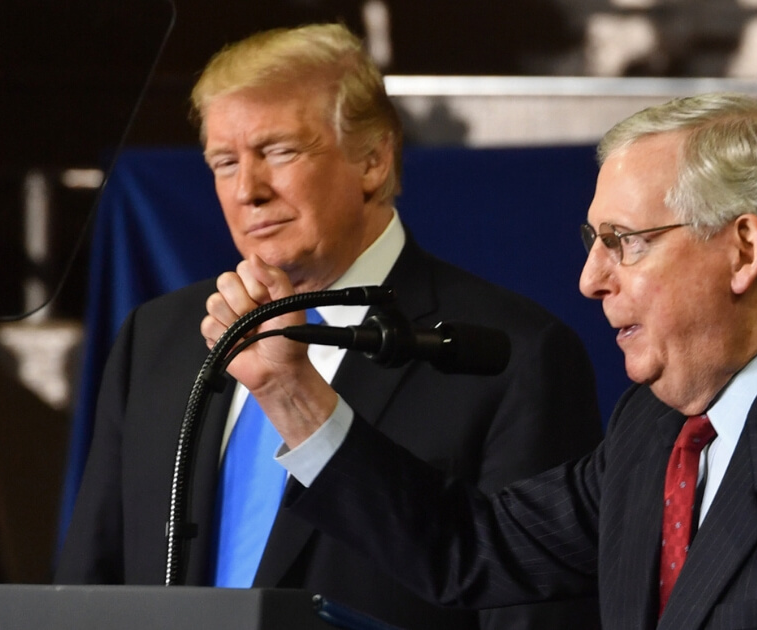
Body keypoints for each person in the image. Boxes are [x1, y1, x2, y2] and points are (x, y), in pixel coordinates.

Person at [203, 93, 757, 628]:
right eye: (594, 243)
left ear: (743, 248)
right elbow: (467, 548)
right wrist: (291, 390)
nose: (591, 279)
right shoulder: (655, 430)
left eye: (625, 243)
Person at [55, 24, 604, 630]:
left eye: (280, 151)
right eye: (224, 162)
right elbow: (91, 584)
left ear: (372, 160)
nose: (249, 191)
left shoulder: (512, 355)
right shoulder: (158, 337)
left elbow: (528, 612)